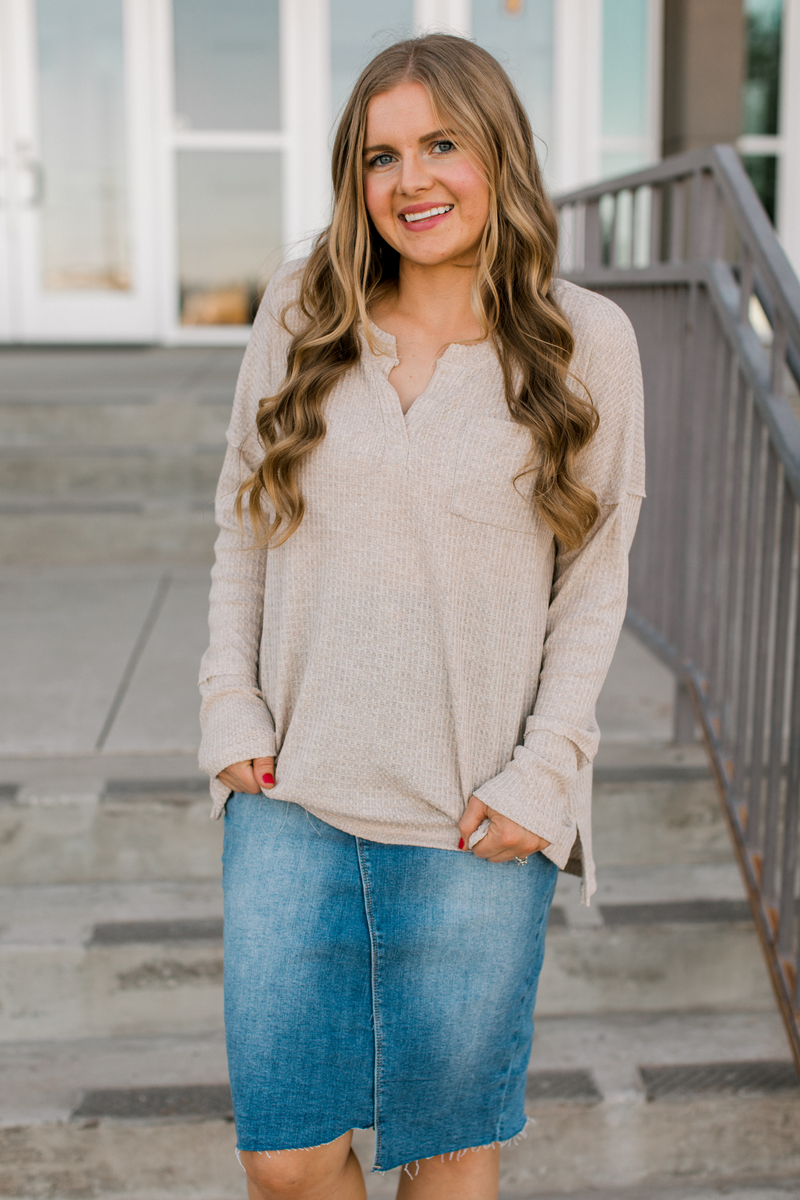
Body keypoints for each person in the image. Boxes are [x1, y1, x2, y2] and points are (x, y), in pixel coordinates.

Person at [198, 32, 644, 1200]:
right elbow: (242, 522)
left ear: (498, 153)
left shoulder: (585, 340)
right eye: (381, 156)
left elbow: (593, 580)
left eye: (440, 145)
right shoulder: (303, 311)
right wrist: (227, 704)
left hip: (472, 814)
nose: (412, 182)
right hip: (293, 796)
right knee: (284, 1158)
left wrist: (543, 772)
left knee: (445, 1155)